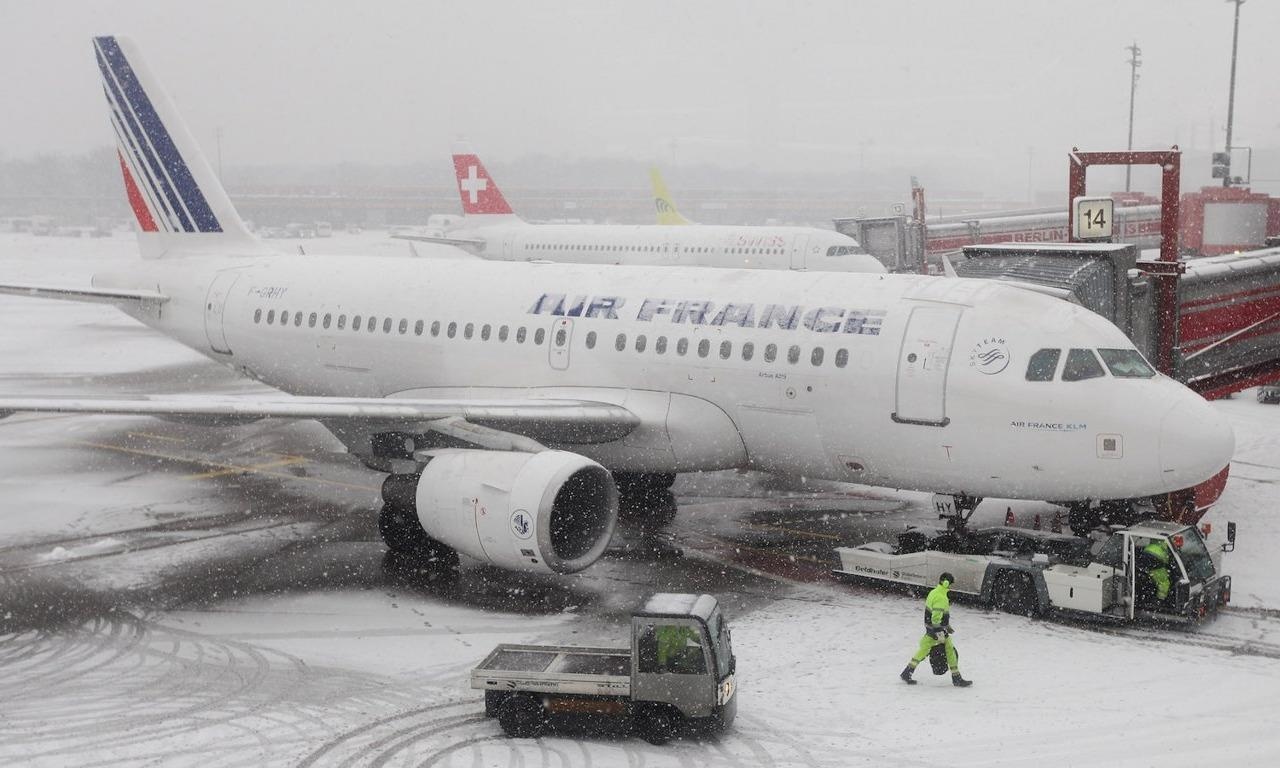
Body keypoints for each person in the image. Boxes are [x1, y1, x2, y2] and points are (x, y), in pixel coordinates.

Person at [900, 572, 972, 687]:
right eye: (950, 584)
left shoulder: (934, 592)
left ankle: (907, 672)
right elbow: (936, 618)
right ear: (946, 583)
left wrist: (947, 626)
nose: (950, 587)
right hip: (937, 630)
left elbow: (937, 614)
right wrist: (940, 634)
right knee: (950, 651)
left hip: (932, 629)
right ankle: (956, 678)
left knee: (924, 650)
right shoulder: (941, 597)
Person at [1137, 538, 1172, 607]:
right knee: (1164, 583)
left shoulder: (1159, 540)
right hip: (1156, 559)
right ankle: (1160, 601)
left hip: (1148, 551)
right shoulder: (1167, 544)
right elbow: (1166, 561)